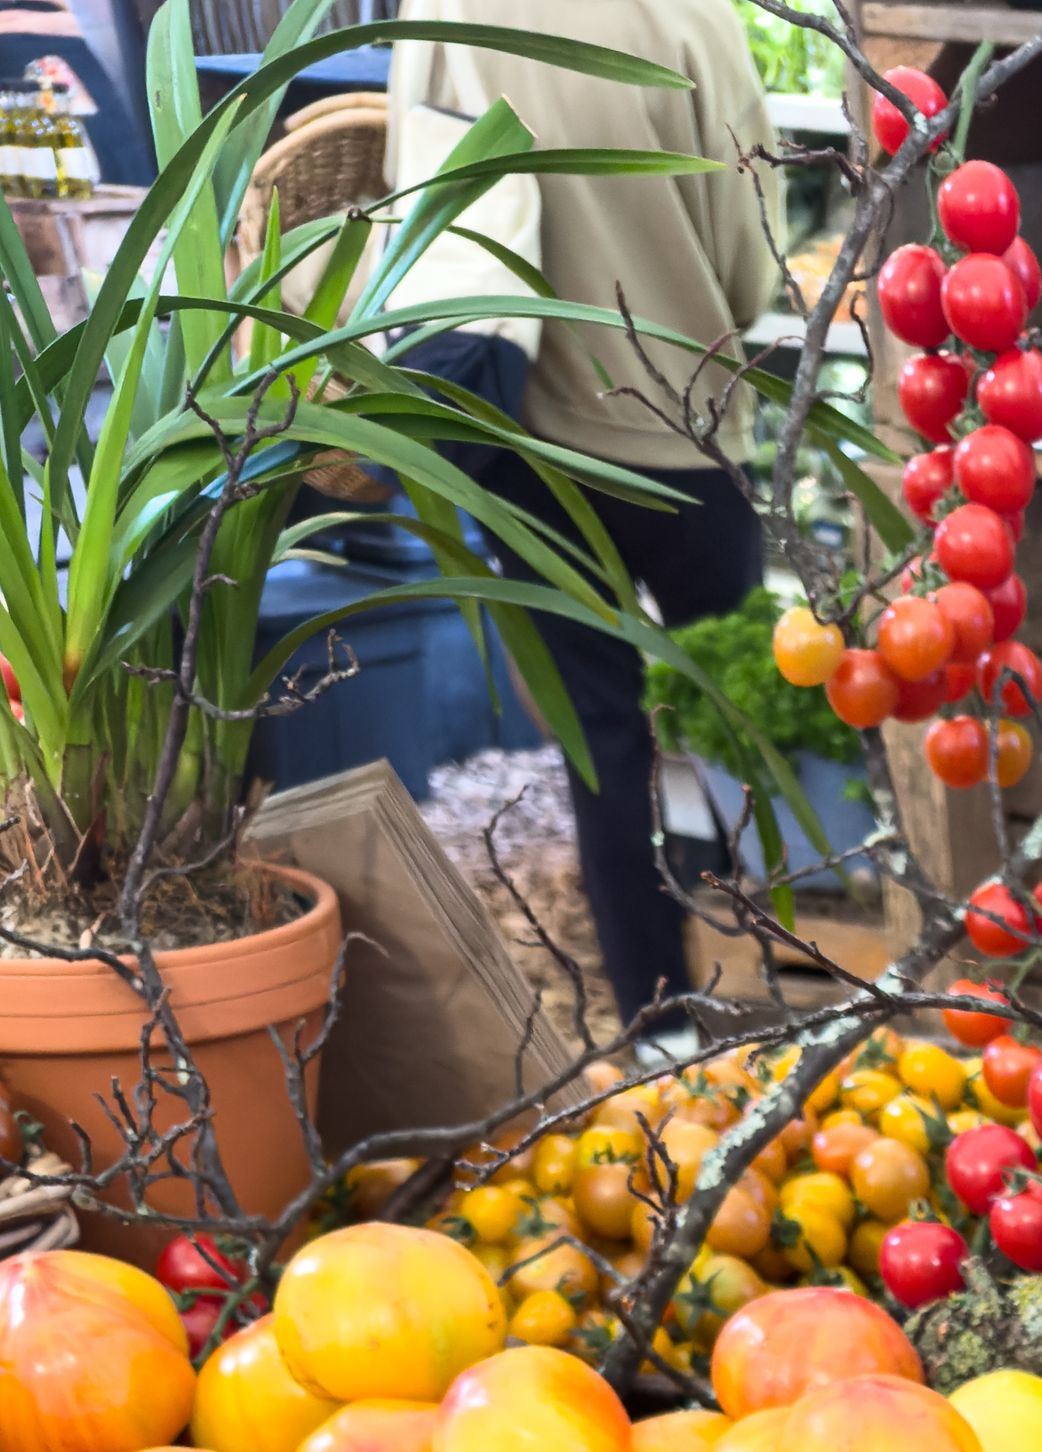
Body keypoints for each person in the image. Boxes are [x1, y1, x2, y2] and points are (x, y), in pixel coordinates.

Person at [383, 0, 785, 1027]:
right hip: (690, 425)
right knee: (725, 714)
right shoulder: (698, 14)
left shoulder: (443, 10)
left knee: (603, 744)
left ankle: (661, 1018)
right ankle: (773, 972)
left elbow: (415, 215)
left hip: (534, 444)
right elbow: (753, 262)